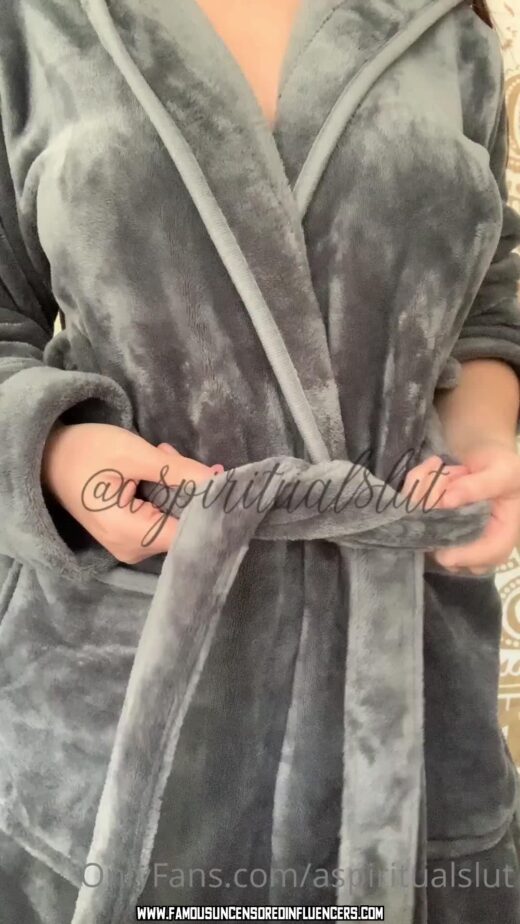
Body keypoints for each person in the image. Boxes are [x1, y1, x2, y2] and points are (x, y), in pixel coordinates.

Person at [0, 0, 520, 920]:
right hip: (116, 678)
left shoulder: (446, 31)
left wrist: (485, 443)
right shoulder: (32, 26)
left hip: (399, 675)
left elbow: (487, 299)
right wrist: (63, 452)